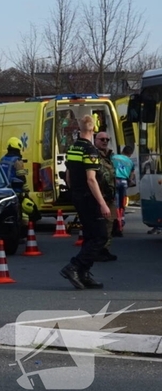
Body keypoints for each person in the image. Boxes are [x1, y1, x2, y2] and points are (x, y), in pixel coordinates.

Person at [59, 115, 111, 290]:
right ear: (93, 129)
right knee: (100, 236)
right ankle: (75, 266)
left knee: (89, 235)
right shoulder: (90, 150)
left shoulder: (73, 147)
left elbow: (68, 175)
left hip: (78, 196)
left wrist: (75, 191)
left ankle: (83, 274)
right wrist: (102, 203)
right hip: (90, 198)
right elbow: (91, 179)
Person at [93, 131, 118, 260]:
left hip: (109, 197)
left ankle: (104, 249)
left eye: (107, 139)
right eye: (102, 139)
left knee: (110, 223)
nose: (104, 141)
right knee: (99, 225)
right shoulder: (93, 155)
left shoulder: (108, 156)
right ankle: (97, 250)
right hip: (98, 197)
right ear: (95, 140)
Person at [110, 144, 135, 237]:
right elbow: (132, 175)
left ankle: (116, 223)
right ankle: (122, 222)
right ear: (130, 154)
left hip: (115, 181)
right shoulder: (130, 162)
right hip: (124, 182)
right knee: (122, 204)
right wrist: (129, 182)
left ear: (122, 151)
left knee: (115, 204)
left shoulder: (114, 157)